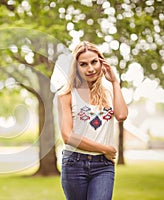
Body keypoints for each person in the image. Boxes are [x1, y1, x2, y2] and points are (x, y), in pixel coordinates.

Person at [57, 41, 128, 200]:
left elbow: (122, 115)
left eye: (94, 62)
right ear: (76, 68)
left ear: (102, 62)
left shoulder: (110, 91)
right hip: (74, 164)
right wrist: (105, 148)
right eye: (83, 64)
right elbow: (68, 137)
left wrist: (115, 82)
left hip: (103, 166)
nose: (90, 68)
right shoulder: (66, 95)